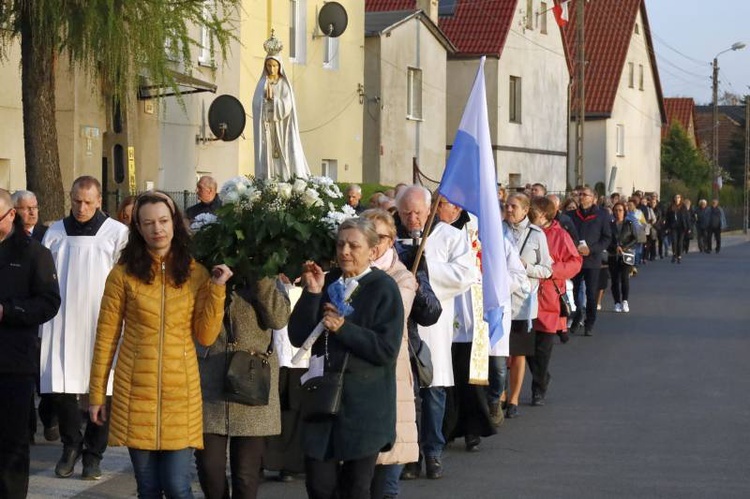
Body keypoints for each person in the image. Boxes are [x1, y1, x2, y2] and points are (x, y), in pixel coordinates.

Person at [88, 191, 232, 498]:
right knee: (148, 488)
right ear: (137, 228)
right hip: (135, 391)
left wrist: (217, 290)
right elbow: (106, 337)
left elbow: (206, 336)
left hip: (181, 392)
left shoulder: (196, 273)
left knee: (178, 487)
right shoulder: (122, 275)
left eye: (164, 221)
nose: (158, 229)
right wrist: (96, 394)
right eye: (149, 223)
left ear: (175, 223)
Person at [288, 218, 405, 499]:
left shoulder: (383, 288)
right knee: (319, 485)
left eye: (354, 245)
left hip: (364, 406)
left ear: (372, 251)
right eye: (341, 244)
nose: (345, 252)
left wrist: (344, 329)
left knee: (356, 488)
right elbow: (299, 336)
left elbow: (386, 350)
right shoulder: (326, 281)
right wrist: (313, 294)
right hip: (322, 399)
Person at [39, 176, 129, 480]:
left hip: (101, 319)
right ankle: (71, 445)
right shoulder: (55, 232)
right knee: (61, 387)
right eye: (76, 201)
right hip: (62, 320)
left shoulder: (116, 233)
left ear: (99, 201)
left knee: (102, 388)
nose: (81, 207)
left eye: (88, 202)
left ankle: (94, 454)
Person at [394, 185, 474, 479]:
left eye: (417, 212)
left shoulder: (452, 237)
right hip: (402, 325)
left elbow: (467, 275)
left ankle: (433, 451)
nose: (412, 218)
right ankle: (409, 454)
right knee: (407, 391)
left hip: (433, 324)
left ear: (430, 210)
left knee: (434, 390)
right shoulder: (393, 240)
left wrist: (429, 269)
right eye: (406, 212)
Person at [195, 274, 290, 499]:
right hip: (211, 380)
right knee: (210, 469)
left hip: (252, 382)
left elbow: (278, 319)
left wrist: (259, 278)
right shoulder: (206, 269)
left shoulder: (268, 275)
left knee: (246, 477)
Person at [0, 189, 61, 498]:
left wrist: (7, 311)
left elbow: (49, 303)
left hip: (13, 363)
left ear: (11, 215)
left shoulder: (33, 253)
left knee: (12, 442)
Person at [360, 209, 418, 499]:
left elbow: (388, 321)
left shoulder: (402, 278)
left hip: (390, 380)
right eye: (365, 236)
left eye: (379, 237)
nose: (372, 243)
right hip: (355, 385)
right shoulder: (348, 272)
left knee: (385, 484)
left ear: (392, 240)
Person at [11, 189, 58, 442]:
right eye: (25, 209)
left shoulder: (46, 237)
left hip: (44, 314)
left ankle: (50, 416)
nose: (31, 213)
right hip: (20, 320)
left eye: (34, 208)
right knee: (25, 377)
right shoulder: (10, 240)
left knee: (44, 375)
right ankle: (27, 428)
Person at [502, 193, 552, 418]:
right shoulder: (497, 229)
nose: (509, 209)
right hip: (499, 301)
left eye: (513, 206)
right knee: (499, 354)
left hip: (522, 304)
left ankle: (513, 399)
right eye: (506, 205)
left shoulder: (536, 234)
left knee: (518, 353)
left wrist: (526, 267)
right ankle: (499, 396)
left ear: (525, 210)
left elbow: (547, 269)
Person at [528, 197, 581, 406]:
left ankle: (538, 388)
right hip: (525, 295)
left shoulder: (560, 235)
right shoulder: (528, 232)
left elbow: (575, 262)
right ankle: (541, 377)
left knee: (543, 348)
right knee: (525, 347)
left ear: (545, 215)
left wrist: (553, 271)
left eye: (535, 213)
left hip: (548, 296)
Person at [252, 33, 310, 180]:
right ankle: (267, 179)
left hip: (283, 127)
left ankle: (286, 178)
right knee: (268, 156)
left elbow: (288, 104)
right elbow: (256, 105)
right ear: (265, 66)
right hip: (267, 127)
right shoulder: (262, 83)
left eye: (275, 65)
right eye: (269, 65)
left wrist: (274, 100)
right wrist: (265, 102)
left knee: (283, 155)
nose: (272, 69)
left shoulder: (284, 84)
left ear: (279, 66)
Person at [566, 186, 611, 336]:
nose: (582, 197)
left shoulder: (602, 215)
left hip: (592, 260)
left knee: (591, 294)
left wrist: (591, 250)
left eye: (585, 195)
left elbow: (606, 238)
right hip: (574, 259)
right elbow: (565, 235)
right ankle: (578, 313)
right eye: (580, 195)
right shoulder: (571, 215)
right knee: (573, 291)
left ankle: (589, 323)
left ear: (593, 198)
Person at [608, 203, 638, 313]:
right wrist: (615, 247)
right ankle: (617, 302)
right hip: (613, 254)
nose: (618, 212)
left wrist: (624, 247)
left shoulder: (629, 223)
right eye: (615, 210)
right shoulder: (610, 224)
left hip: (626, 254)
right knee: (615, 280)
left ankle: (625, 301)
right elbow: (606, 238)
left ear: (624, 211)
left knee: (625, 278)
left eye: (620, 210)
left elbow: (635, 238)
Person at [665, 194, 691, 264]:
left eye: (678, 197)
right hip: (673, 227)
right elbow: (667, 218)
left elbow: (687, 218)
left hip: (682, 227)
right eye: (676, 197)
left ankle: (679, 255)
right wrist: (666, 227)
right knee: (674, 241)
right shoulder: (671, 207)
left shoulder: (683, 207)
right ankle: (674, 254)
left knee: (680, 242)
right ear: (674, 199)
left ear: (680, 199)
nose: (677, 199)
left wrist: (689, 228)